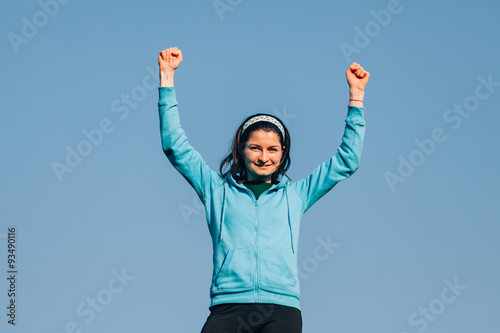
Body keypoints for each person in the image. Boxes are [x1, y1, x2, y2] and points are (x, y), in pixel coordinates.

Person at [157, 47, 369, 333]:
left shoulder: (296, 195)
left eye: (272, 149)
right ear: (240, 151)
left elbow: (347, 160)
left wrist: (356, 98)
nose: (263, 156)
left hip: (280, 309)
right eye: (255, 147)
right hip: (227, 306)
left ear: (282, 154)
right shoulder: (216, 192)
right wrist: (167, 78)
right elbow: (175, 146)